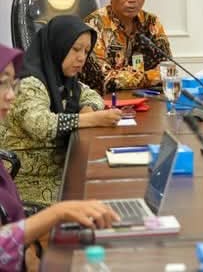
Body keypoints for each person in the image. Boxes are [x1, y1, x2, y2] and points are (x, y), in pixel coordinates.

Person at [0, 43, 120, 270]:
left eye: (12, 84)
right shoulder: (34, 83)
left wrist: (28, 246)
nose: (11, 95)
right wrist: (58, 213)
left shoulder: (64, 80)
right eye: (1, 84)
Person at [0, 16, 123, 207]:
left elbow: (92, 95)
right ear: (58, 46)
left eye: (86, 51)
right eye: (75, 49)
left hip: (60, 170)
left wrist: (88, 109)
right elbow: (42, 125)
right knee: (102, 198)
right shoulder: (29, 82)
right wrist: (92, 119)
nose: (82, 58)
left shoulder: (62, 79)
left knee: (110, 187)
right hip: (30, 181)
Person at [82, 0, 171, 93]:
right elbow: (102, 78)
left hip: (148, 99)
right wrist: (150, 77)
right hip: (106, 101)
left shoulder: (151, 22)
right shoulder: (94, 24)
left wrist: (128, 77)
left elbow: (168, 69)